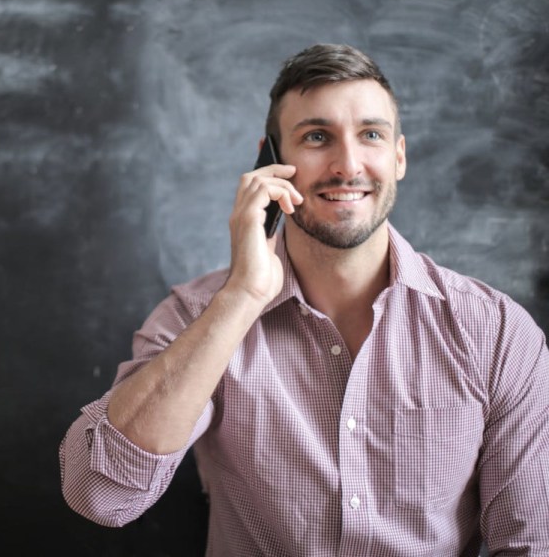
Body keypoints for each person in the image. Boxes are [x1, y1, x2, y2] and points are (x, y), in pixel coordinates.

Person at [59, 44, 549, 556]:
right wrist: (243, 297)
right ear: (270, 160)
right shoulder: (198, 317)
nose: (347, 165)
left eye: (371, 135)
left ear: (398, 157)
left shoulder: (496, 333)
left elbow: (530, 545)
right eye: (317, 137)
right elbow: (102, 495)